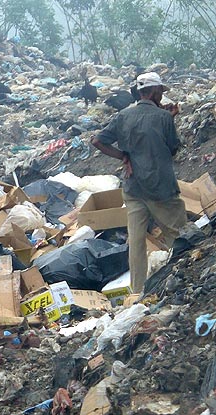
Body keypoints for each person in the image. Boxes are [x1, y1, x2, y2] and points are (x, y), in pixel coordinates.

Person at [90, 72, 187, 294]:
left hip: (133, 188)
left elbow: (97, 140)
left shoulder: (123, 116)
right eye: (161, 92)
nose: (162, 96)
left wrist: (123, 156)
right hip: (161, 188)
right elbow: (172, 148)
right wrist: (170, 119)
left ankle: (137, 292)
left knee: (136, 241)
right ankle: (180, 281)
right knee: (178, 235)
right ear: (153, 91)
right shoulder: (163, 117)